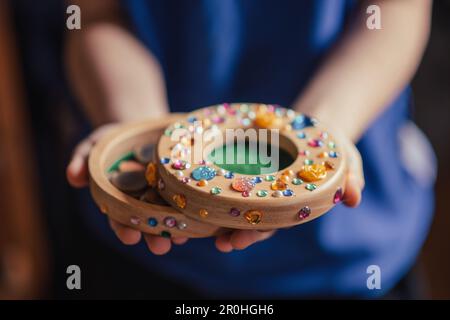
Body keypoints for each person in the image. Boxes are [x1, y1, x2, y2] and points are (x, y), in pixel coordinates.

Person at [66, 0, 435, 298]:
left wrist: (321, 131)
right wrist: (145, 135)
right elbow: (96, 14)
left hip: (348, 254)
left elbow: (397, 9)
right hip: (144, 264)